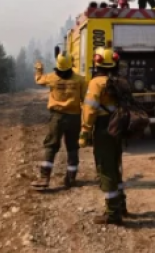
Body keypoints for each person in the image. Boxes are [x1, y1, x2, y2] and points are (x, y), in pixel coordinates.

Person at [79, 47, 128, 225]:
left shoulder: (96, 83)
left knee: (105, 169)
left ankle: (113, 213)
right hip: (118, 127)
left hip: (103, 128)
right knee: (116, 166)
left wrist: (84, 132)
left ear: (97, 62)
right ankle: (121, 205)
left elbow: (90, 110)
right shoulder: (118, 81)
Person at [31, 52, 87, 190]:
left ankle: (44, 177)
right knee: (73, 147)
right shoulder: (80, 80)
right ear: (71, 64)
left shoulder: (52, 78)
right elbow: (85, 99)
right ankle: (71, 178)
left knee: (51, 145)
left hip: (57, 117)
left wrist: (39, 69)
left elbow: (39, 80)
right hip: (74, 117)